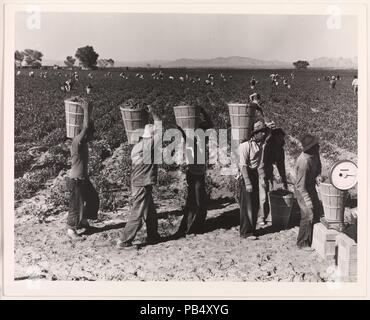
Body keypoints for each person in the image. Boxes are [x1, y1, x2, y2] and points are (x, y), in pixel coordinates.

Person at [117, 106, 162, 249]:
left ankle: (153, 235)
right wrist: (154, 114)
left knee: (150, 211)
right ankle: (124, 241)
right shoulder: (147, 146)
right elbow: (160, 129)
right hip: (142, 183)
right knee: (138, 213)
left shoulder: (138, 146)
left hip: (140, 182)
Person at [176, 107, 213, 237]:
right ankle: (189, 229)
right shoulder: (193, 143)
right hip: (194, 176)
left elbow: (211, 125)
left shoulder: (201, 143)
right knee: (195, 203)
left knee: (199, 202)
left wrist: (203, 111)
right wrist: (180, 128)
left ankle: (195, 227)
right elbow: (185, 136)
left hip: (199, 175)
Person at [67, 100, 99, 239]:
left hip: (83, 179)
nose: (93, 137)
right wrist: (85, 109)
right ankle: (71, 230)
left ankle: (84, 221)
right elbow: (85, 127)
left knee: (93, 199)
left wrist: (89, 112)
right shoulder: (77, 142)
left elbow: (87, 126)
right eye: (91, 134)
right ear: (86, 134)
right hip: (76, 181)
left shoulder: (84, 143)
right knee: (76, 206)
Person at [238, 120, 268, 240]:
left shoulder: (260, 144)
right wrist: (248, 182)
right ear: (254, 134)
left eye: (263, 132)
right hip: (246, 176)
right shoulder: (245, 146)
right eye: (260, 132)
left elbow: (268, 133)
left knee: (254, 204)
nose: (263, 134)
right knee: (247, 205)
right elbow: (243, 166)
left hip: (254, 174)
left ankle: (252, 229)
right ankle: (246, 232)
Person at [294, 134, 322, 250]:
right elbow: (301, 186)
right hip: (302, 189)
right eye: (316, 145)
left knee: (317, 210)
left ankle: (312, 238)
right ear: (310, 148)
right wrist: (307, 200)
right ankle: (302, 242)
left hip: (310, 186)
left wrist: (318, 175)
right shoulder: (303, 162)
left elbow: (319, 164)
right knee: (308, 213)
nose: (318, 147)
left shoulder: (315, 153)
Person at [257, 124, 289, 225]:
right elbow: (261, 162)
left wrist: (284, 180)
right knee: (263, 195)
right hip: (262, 170)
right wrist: (262, 175)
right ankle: (261, 217)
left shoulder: (280, 149)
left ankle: (271, 215)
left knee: (272, 193)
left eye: (282, 137)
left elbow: (281, 165)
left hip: (270, 170)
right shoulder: (267, 147)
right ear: (274, 137)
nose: (280, 139)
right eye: (279, 137)